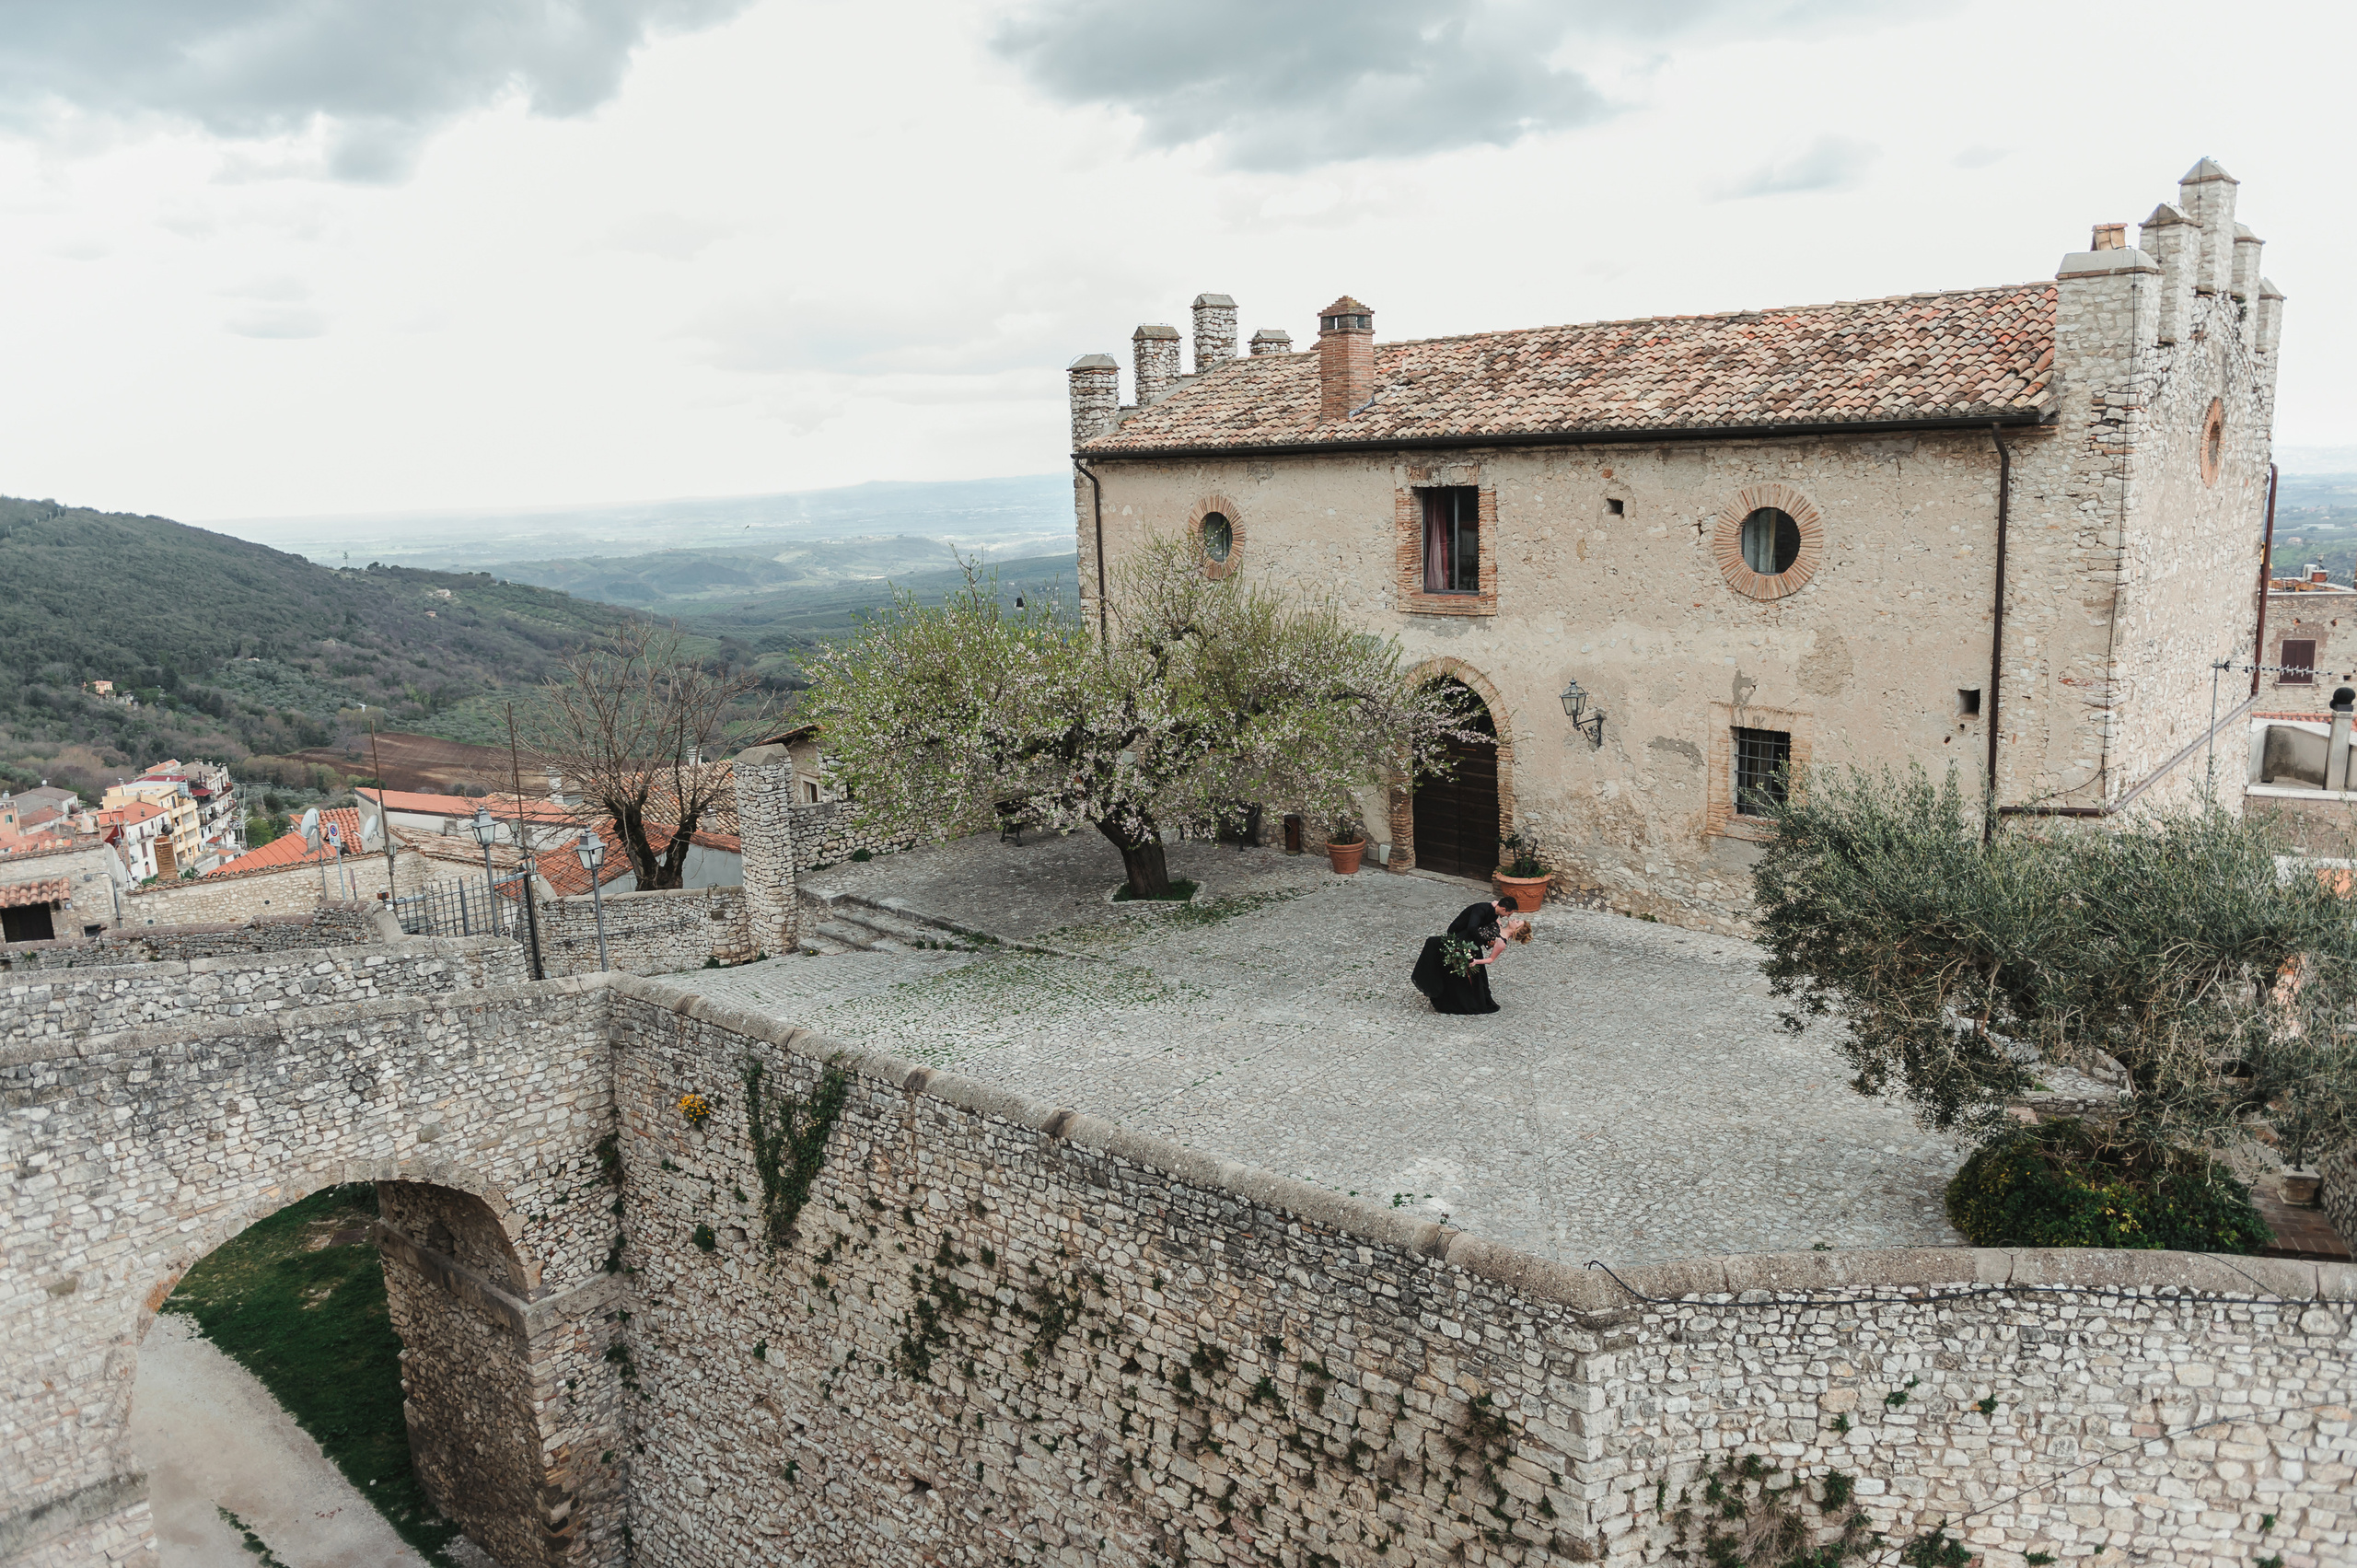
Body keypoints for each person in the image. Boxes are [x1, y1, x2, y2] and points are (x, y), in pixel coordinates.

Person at [1411, 904, 1531, 1015]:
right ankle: (1435, 987)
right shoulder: (1498, 924)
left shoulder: (1501, 941)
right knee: (1437, 950)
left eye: (1518, 922)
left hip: (1469, 951)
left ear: (1517, 930)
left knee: (1434, 944)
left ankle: (1440, 993)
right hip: (1464, 942)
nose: (1515, 919)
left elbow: (1491, 959)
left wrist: (1475, 962)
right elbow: (1493, 909)